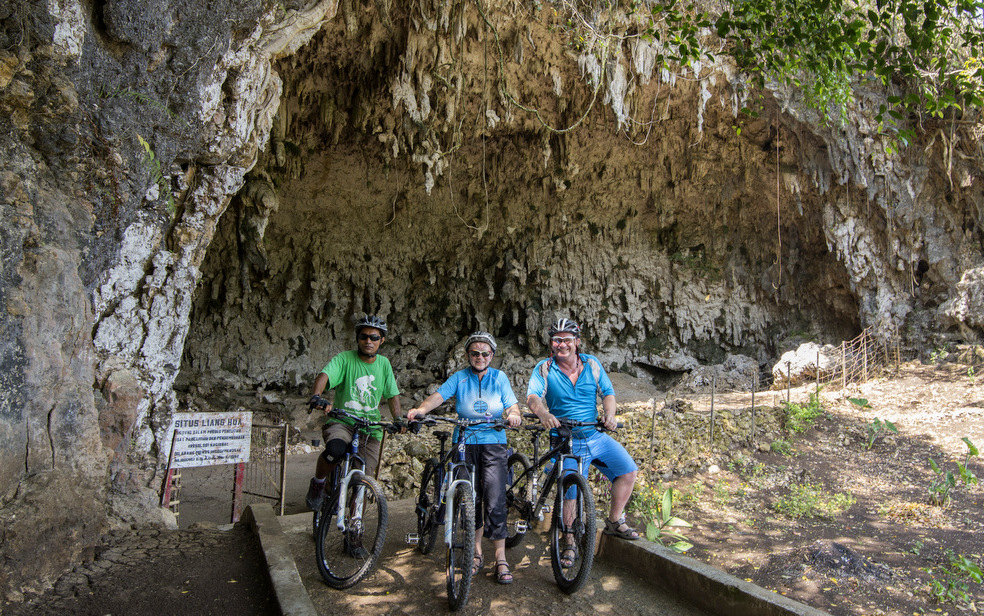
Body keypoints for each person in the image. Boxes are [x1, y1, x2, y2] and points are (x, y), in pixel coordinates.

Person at [407, 332, 522, 585]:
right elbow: (439, 396)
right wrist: (421, 410)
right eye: (474, 353)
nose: (479, 357)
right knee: (470, 498)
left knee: (495, 498)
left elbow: (512, 405)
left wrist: (514, 414)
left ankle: (501, 557)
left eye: (485, 353)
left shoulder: (499, 377)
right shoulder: (459, 377)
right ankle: (476, 552)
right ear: (468, 355)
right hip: (464, 442)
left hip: (494, 442)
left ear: (491, 355)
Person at [526, 317, 640, 566]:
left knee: (628, 471)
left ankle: (613, 521)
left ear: (577, 342)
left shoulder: (592, 364)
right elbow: (533, 397)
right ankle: (568, 540)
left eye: (567, 340)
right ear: (551, 344)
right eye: (556, 340)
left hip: (594, 435)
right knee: (571, 490)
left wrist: (609, 414)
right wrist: (544, 414)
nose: (561, 345)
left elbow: (608, 393)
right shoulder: (545, 367)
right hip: (565, 439)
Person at [305, 314, 403, 513]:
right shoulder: (344, 359)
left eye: (374, 337)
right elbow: (324, 375)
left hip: (371, 428)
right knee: (335, 450)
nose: (369, 341)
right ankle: (318, 483)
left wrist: (398, 419)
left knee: (362, 484)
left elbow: (392, 395)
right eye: (364, 336)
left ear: (381, 340)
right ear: (357, 338)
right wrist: (316, 396)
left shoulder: (384, 364)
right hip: (343, 421)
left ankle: (354, 531)